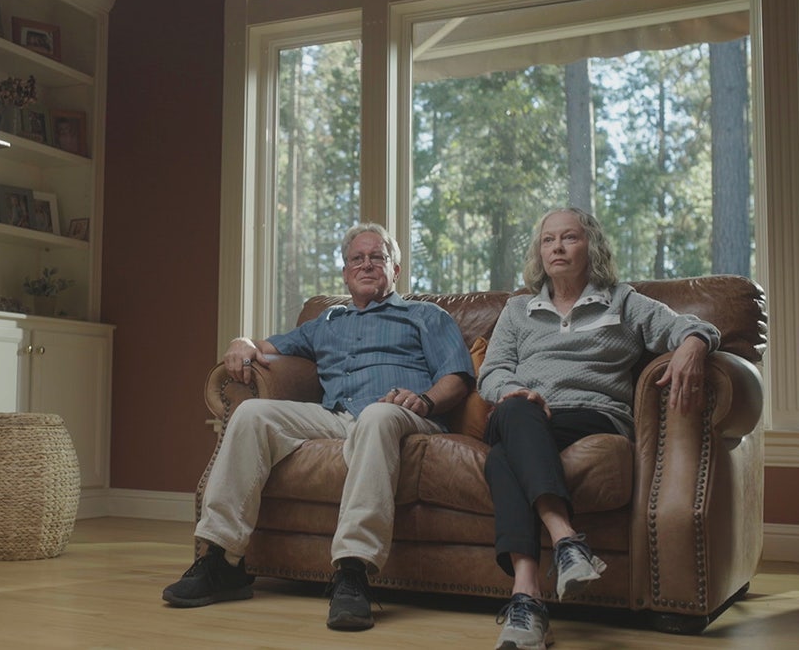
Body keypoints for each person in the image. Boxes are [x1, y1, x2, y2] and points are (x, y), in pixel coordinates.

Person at [163, 223, 476, 631]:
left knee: (378, 417)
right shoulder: (327, 322)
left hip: (403, 415)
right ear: (345, 273)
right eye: (357, 259)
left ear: (395, 269)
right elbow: (265, 348)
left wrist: (426, 400)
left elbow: (459, 375)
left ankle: (353, 570)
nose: (366, 265)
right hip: (335, 418)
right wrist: (241, 341)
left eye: (377, 257)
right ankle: (221, 561)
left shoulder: (425, 315)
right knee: (252, 414)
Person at [477, 207, 719, 650]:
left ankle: (527, 601)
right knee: (514, 411)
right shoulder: (517, 310)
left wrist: (694, 344)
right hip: (526, 412)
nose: (557, 247)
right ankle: (567, 542)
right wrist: (514, 390)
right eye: (548, 240)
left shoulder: (622, 301)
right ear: (539, 252)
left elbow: (687, 325)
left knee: (501, 458)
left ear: (592, 246)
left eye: (569, 238)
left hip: (593, 414)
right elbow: (491, 373)